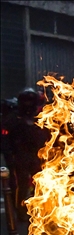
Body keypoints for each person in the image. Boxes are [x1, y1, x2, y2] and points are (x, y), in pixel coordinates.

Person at [4, 88, 49, 221]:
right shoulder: (14, 118)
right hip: (20, 155)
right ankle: (20, 210)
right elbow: (5, 138)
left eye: (31, 101)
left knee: (39, 184)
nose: (29, 104)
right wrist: (9, 157)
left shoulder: (40, 117)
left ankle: (38, 211)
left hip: (36, 155)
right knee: (20, 185)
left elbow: (47, 135)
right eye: (26, 101)